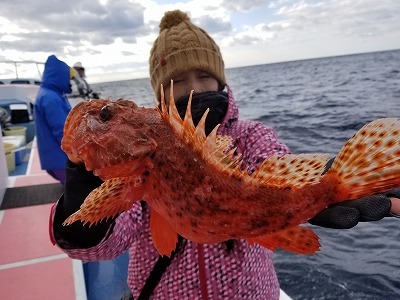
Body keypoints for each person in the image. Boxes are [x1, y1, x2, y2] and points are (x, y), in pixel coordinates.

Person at [49, 10, 400, 299]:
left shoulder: (251, 137)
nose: (195, 88)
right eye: (179, 80)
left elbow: (270, 162)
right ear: (159, 91)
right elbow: (104, 245)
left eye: (204, 75)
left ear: (221, 79)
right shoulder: (133, 174)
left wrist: (322, 177)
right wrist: (79, 205)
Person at [34, 55, 72, 184]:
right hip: (60, 160)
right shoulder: (51, 98)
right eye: (68, 76)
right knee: (77, 196)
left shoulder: (49, 94)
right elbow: (62, 131)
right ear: (60, 76)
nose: (69, 80)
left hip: (53, 158)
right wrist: (79, 156)